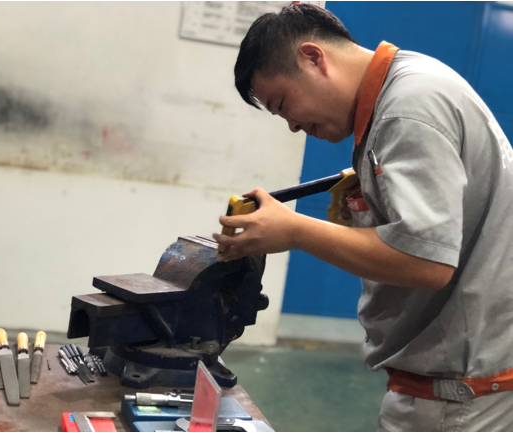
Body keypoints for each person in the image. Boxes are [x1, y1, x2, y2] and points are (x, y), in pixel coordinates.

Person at [212, 4, 513, 431]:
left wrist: (294, 230)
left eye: (283, 104)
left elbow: (427, 262)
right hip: (457, 382)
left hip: (461, 397)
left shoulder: (407, 109)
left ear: (313, 57)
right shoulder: (410, 82)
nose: (293, 125)